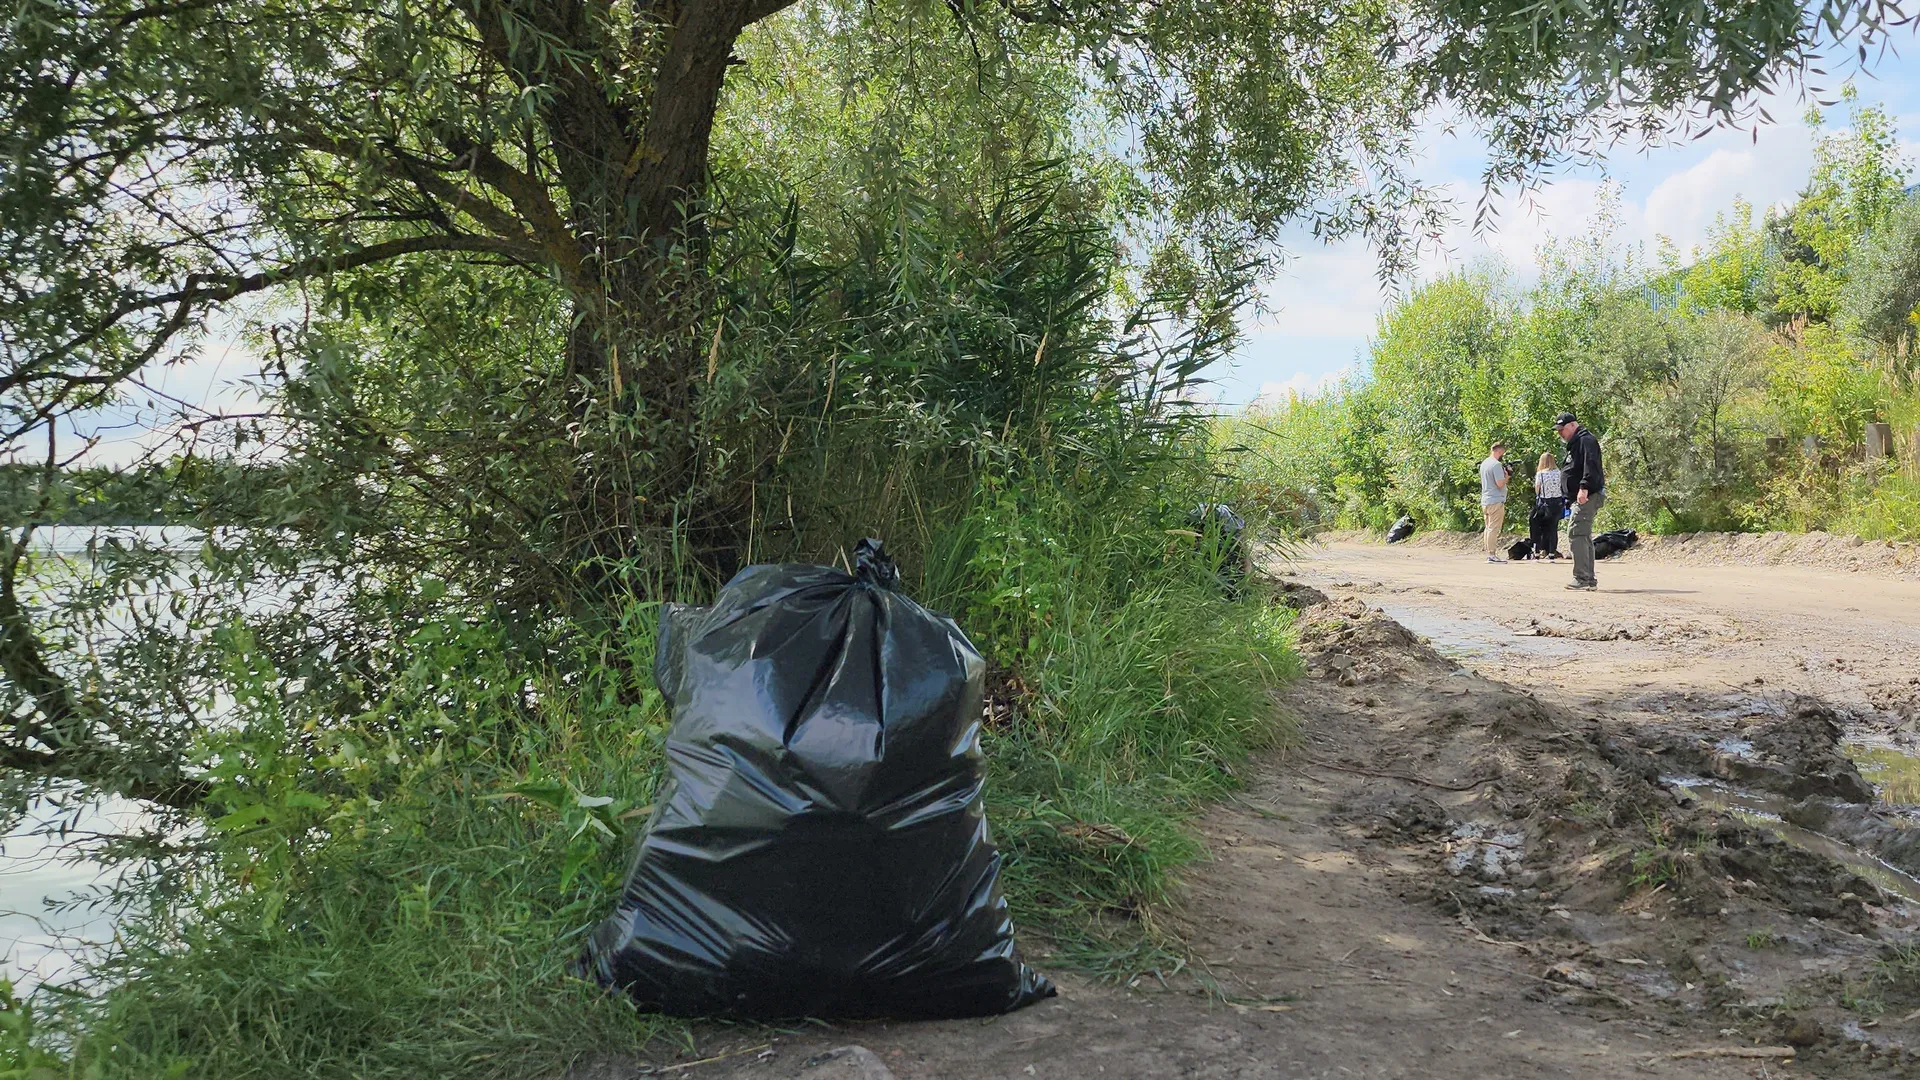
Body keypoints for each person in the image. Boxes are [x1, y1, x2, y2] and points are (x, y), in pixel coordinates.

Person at [1555, 412, 1605, 590]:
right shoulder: (1576, 443)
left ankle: (1583, 578)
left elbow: (1590, 465)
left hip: (1587, 494)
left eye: (1562, 429)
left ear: (1572, 425)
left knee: (1576, 533)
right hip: (1583, 495)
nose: (1560, 433)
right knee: (1582, 535)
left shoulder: (1585, 440)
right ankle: (1588, 579)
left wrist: (1583, 487)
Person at [1528, 451, 1566, 560]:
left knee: (1539, 527)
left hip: (1544, 502)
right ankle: (1552, 553)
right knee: (1553, 528)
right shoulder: (1559, 472)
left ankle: (1537, 551)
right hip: (1557, 503)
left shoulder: (1541, 474)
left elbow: (1537, 488)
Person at [1478, 441, 1509, 563]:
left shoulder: (1484, 463)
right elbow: (1500, 483)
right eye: (1502, 453)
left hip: (1485, 499)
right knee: (1493, 528)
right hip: (1495, 500)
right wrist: (1507, 476)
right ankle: (1492, 554)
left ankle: (1489, 552)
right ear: (1499, 451)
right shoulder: (1496, 465)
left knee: (1488, 527)